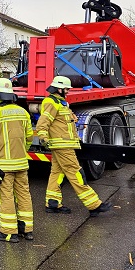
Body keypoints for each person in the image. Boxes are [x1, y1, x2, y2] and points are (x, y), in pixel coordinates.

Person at [34, 75, 111, 216]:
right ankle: (94, 205)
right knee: (76, 173)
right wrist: (43, 137)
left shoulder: (60, 103)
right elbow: (43, 123)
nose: (68, 91)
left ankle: (53, 203)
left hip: (64, 144)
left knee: (56, 173)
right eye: (66, 89)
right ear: (58, 88)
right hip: (62, 145)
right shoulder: (51, 102)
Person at [0, 78, 34, 243]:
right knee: (24, 193)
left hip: (3, 165)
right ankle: (27, 229)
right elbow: (29, 137)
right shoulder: (23, 112)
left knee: (6, 196)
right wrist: (21, 152)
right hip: (21, 163)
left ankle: (9, 232)